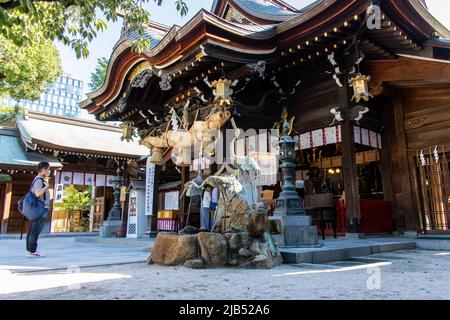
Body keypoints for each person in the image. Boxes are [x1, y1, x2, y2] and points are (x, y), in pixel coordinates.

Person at [26, 162, 51, 257]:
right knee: (35, 230)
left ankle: (30, 250)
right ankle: (32, 251)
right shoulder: (39, 180)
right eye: (48, 169)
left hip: (38, 209)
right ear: (44, 169)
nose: (49, 171)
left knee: (33, 229)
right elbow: (37, 194)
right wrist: (46, 187)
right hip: (39, 209)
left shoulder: (39, 180)